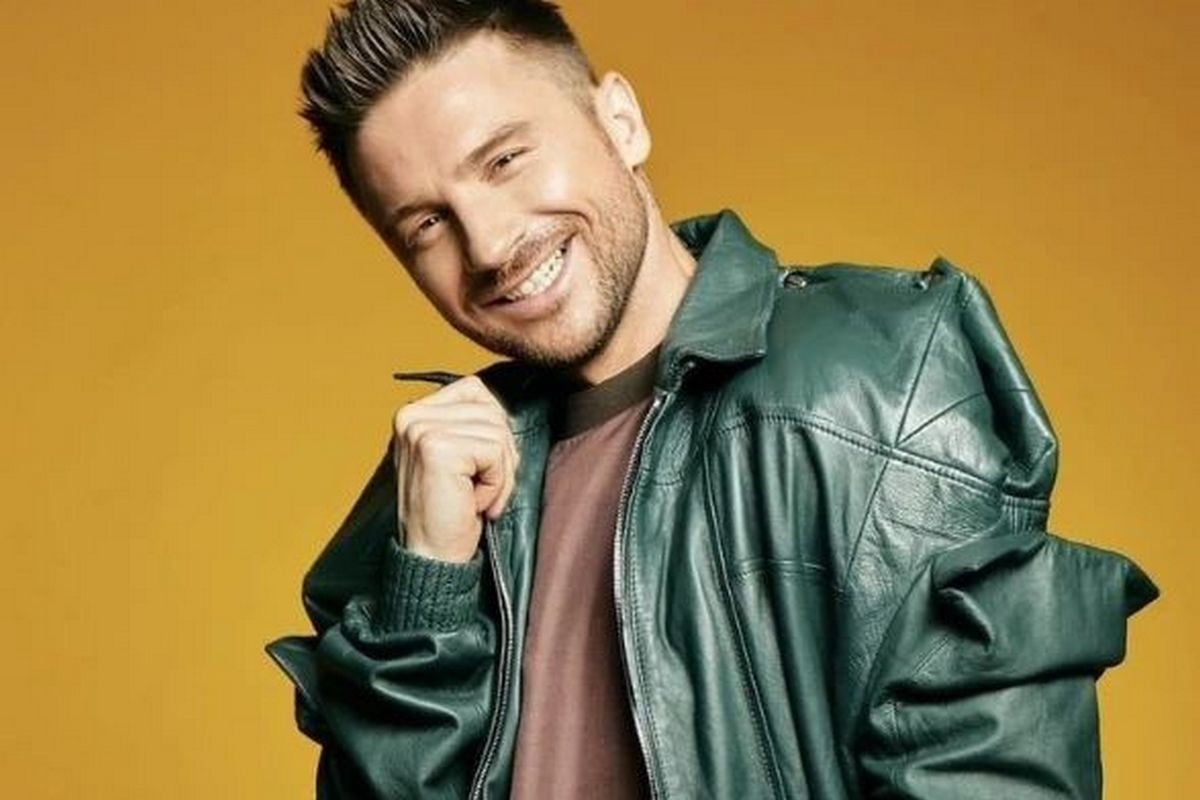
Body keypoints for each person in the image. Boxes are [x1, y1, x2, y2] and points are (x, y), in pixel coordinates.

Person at [267, 1, 1158, 798]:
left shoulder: (877, 384)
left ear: (620, 121)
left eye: (505, 159)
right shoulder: (435, 490)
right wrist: (426, 591)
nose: (490, 244)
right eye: (426, 222)